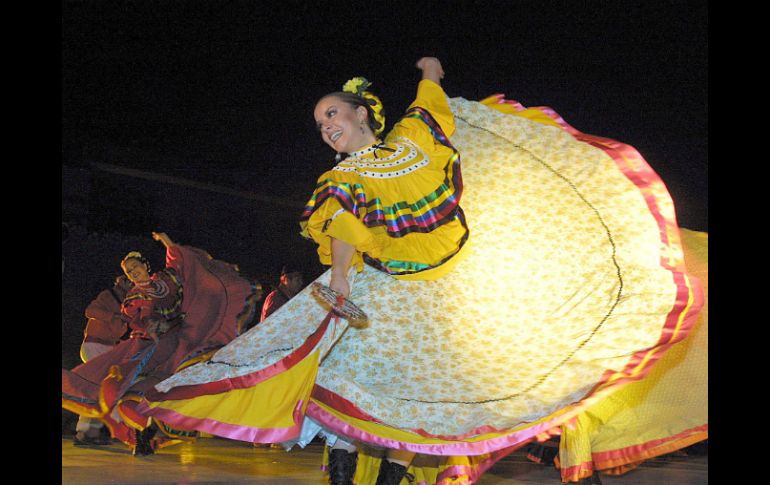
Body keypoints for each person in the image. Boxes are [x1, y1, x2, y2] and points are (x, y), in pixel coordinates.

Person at [138, 58, 704, 485]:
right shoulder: (338, 180)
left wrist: (430, 69)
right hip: (378, 291)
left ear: (361, 113)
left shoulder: (412, 140)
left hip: (440, 287)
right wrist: (337, 284)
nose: (326, 127)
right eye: (319, 124)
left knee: (422, 394)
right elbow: (342, 229)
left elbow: (429, 101)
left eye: (332, 113)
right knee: (350, 385)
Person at [62, 232, 259, 455]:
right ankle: (139, 437)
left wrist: (166, 241)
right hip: (147, 345)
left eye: (136, 267)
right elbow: (140, 316)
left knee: (170, 385)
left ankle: (148, 434)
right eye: (129, 271)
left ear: (145, 265)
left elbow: (179, 263)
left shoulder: (166, 280)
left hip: (179, 341)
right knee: (134, 388)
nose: (134, 272)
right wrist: (152, 324)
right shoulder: (134, 295)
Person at [72, 274, 133, 446]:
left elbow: (118, 332)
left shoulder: (129, 304)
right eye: (126, 279)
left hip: (108, 349)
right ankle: (85, 433)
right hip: (94, 345)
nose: (129, 283)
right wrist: (113, 316)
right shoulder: (109, 296)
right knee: (100, 388)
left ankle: (89, 433)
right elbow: (90, 311)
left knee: (103, 390)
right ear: (119, 280)